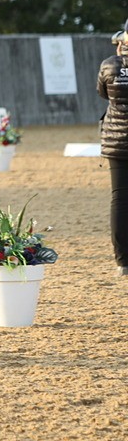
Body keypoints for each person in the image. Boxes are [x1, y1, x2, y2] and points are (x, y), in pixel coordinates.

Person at [98, 25, 128, 276]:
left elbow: (103, 93)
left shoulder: (109, 65)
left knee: (119, 199)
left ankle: (123, 261)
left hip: (116, 141)